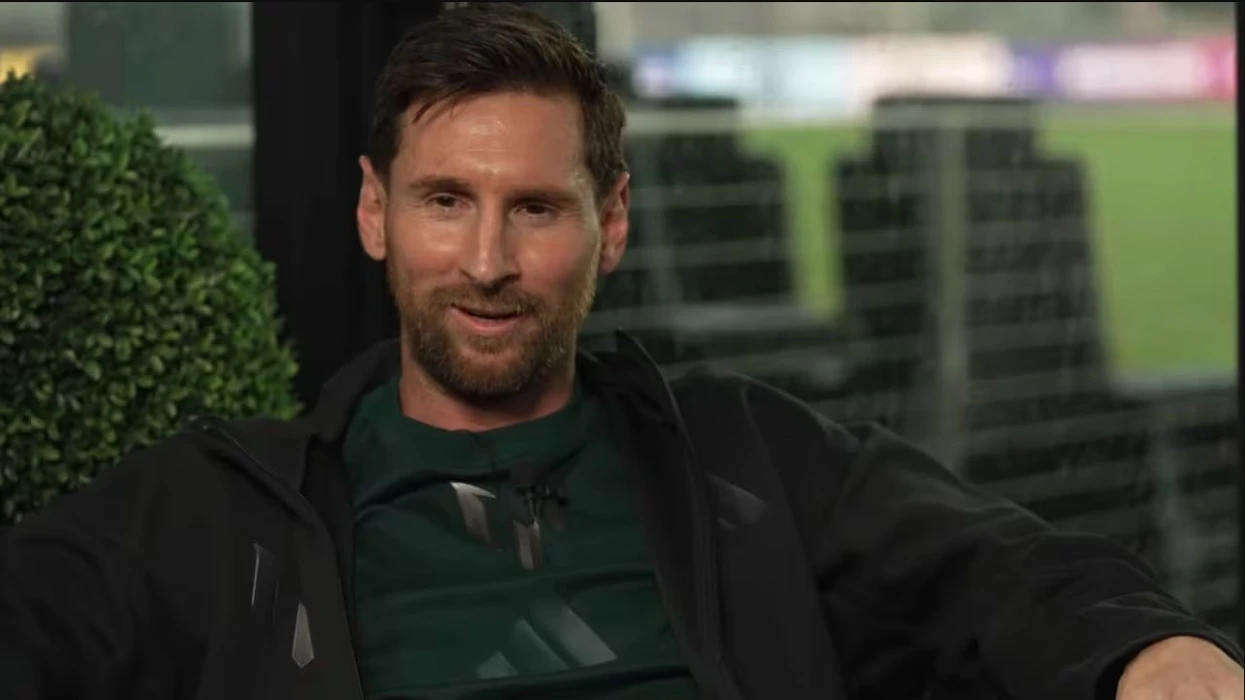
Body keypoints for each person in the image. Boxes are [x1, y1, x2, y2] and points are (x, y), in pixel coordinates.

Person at [1, 4, 1242, 700]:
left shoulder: (745, 455)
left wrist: (1153, 650)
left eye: (537, 208)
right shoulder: (228, 506)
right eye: (446, 202)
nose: (487, 260)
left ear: (615, 223)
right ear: (376, 212)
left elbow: (1005, 566)